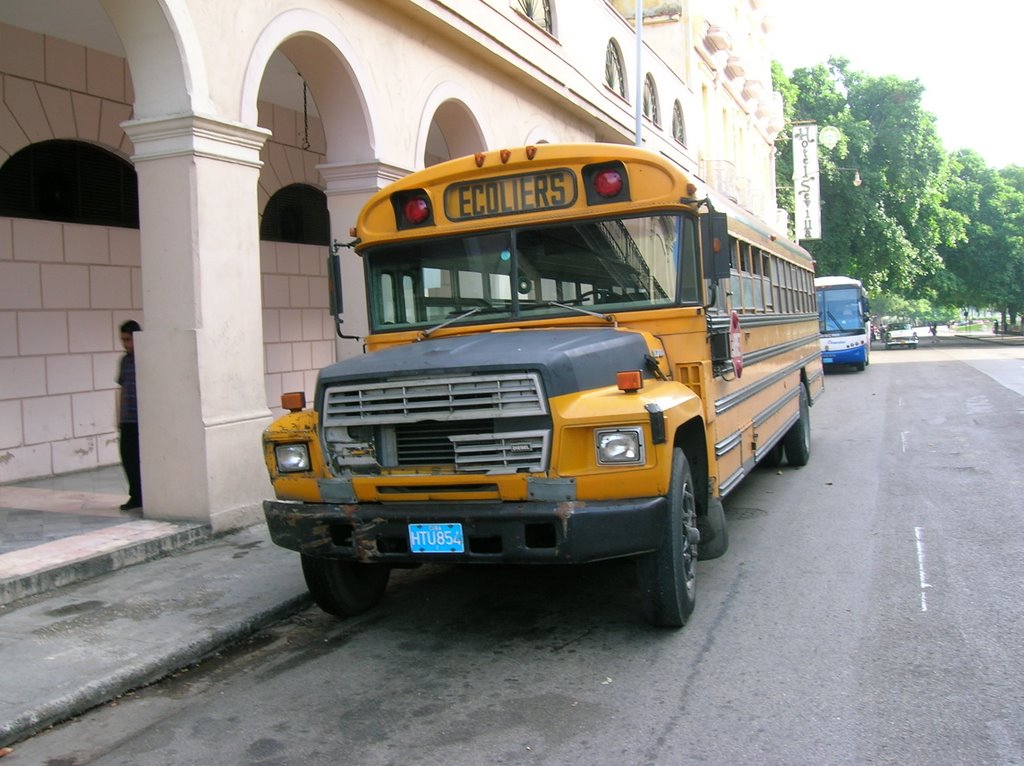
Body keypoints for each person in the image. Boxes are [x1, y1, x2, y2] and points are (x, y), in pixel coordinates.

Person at [117, 320, 143, 511]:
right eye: (123, 340)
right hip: (128, 418)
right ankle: (135, 495)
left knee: (141, 459)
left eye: (129, 339)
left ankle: (144, 494)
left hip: (143, 420)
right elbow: (123, 389)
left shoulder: (145, 359)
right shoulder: (125, 361)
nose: (126, 344)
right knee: (128, 458)